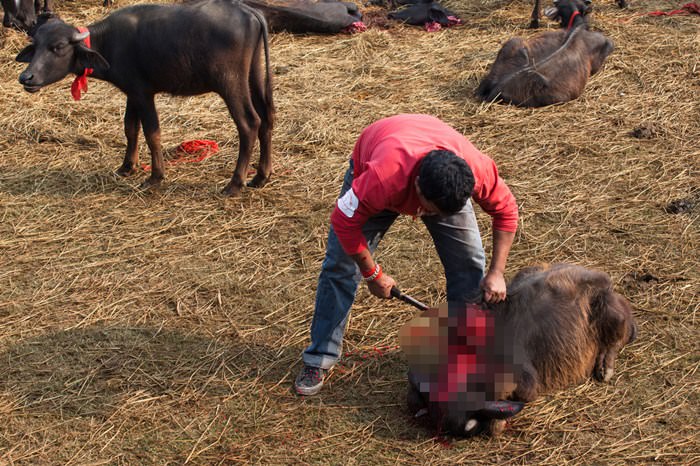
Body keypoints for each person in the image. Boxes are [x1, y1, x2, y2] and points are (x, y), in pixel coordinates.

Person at [294, 114, 519, 396]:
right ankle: (319, 357)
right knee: (340, 266)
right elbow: (343, 220)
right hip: (382, 157)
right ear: (417, 189)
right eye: (427, 209)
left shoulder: (474, 172)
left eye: (438, 213)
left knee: (470, 264)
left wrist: (497, 273)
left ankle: (463, 355)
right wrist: (372, 273)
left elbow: (507, 212)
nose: (425, 216)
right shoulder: (380, 177)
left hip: (435, 168)